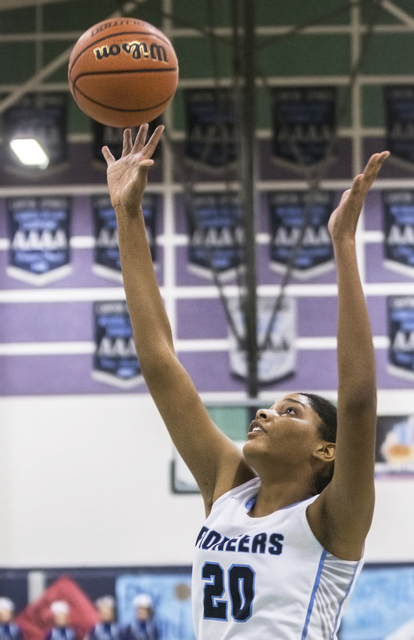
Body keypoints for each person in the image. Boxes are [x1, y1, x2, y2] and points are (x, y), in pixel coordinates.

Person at [102, 125, 389, 639]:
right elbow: (160, 362)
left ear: (328, 451)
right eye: (275, 407)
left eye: (290, 411)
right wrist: (127, 215)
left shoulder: (333, 519)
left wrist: (343, 244)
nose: (265, 413)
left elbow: (360, 400)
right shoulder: (228, 491)